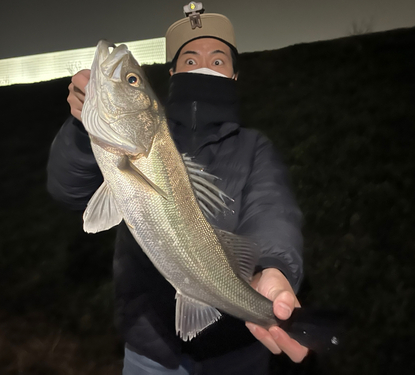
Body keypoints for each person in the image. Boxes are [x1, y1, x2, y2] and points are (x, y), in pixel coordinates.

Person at [47, 2, 308, 373]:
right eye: (190, 59)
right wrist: (81, 126)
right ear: (172, 73)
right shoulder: (135, 140)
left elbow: (272, 209)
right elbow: (68, 190)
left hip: (236, 351)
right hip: (149, 346)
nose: (203, 65)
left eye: (218, 60)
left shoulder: (253, 146)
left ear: (234, 76)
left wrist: (274, 267)